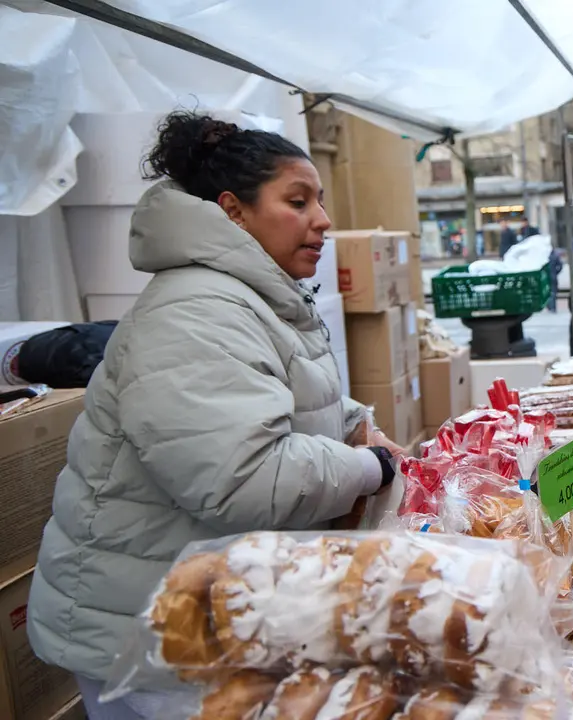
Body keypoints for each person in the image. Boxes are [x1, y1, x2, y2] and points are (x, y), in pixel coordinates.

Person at [27, 112, 403, 719]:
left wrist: (354, 419)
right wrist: (372, 466)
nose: (323, 220)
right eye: (298, 200)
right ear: (233, 210)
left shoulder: (246, 296)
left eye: (320, 201)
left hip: (199, 610)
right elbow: (243, 477)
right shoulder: (194, 310)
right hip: (149, 633)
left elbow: (269, 388)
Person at [546, 245, 563, 313]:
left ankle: (550, 307)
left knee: (549, 293)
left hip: (547, 277)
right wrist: (556, 272)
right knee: (553, 293)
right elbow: (560, 266)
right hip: (553, 276)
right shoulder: (555, 256)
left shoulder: (545, 257)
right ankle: (553, 307)